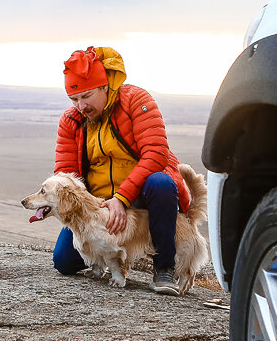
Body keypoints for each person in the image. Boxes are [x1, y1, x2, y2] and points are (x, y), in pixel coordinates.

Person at [53, 46, 192, 295]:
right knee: (64, 261)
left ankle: (164, 268)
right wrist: (90, 208)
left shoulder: (135, 101)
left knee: (161, 183)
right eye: (74, 100)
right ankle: (111, 257)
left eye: (86, 96)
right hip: (98, 203)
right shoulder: (71, 121)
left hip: (140, 195)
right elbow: (65, 176)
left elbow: (156, 153)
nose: (80, 106)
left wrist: (122, 198)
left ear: (104, 86)